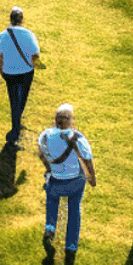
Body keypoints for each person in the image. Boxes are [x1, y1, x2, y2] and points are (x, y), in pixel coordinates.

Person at [36, 103, 96, 256]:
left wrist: (49, 168)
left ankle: (50, 228)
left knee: (52, 200)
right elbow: (87, 159)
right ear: (71, 120)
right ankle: (71, 245)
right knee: (74, 210)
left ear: (55, 119)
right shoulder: (77, 137)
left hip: (56, 180)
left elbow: (41, 153)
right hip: (74, 182)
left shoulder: (44, 135)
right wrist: (92, 178)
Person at [0, 6, 40, 147]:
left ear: (10, 19)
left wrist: (2, 71)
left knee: (13, 99)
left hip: (9, 73)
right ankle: (16, 127)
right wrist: (34, 66)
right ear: (22, 19)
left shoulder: (2, 35)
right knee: (22, 99)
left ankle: (15, 126)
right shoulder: (29, 34)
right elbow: (35, 55)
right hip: (26, 72)